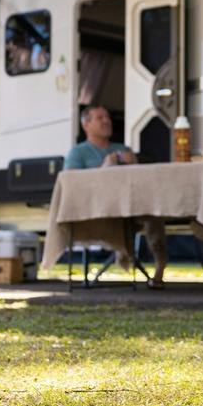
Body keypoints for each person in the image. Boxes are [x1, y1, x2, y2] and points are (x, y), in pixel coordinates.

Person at [63, 104, 166, 285]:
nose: (107, 121)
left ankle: (160, 267)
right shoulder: (78, 152)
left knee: (154, 211)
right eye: (100, 118)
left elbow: (140, 180)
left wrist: (133, 162)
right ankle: (123, 252)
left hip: (129, 206)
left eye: (108, 117)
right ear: (86, 125)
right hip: (97, 208)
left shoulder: (122, 149)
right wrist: (103, 168)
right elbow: (70, 181)